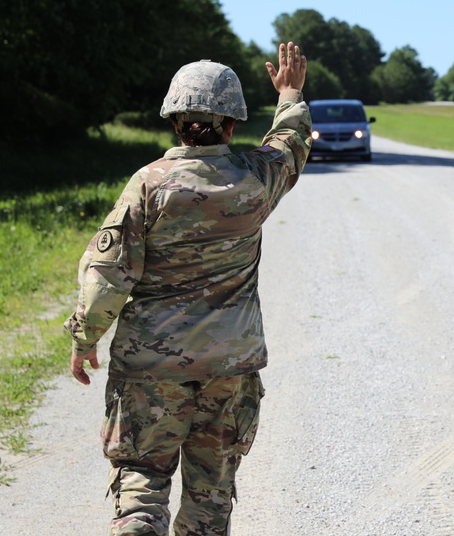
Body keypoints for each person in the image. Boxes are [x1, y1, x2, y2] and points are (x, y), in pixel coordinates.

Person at [64, 42, 310, 535]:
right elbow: (290, 144)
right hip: (229, 368)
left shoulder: (149, 184)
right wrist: (290, 94)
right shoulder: (255, 180)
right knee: (210, 493)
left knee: (141, 476)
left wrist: (84, 337)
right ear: (232, 124)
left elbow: (109, 274)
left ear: (174, 121)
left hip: (150, 367)